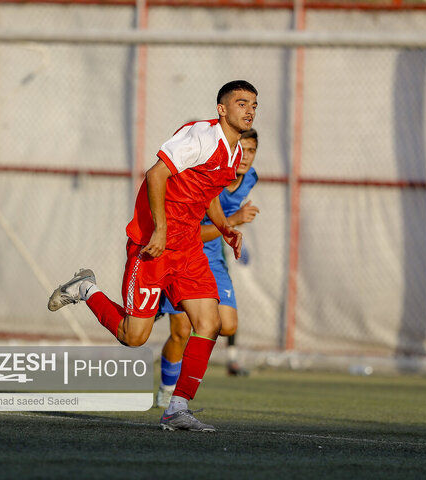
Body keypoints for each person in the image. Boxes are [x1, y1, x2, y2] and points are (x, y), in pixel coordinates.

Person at [47, 80, 259, 432]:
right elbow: (156, 174)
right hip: (153, 246)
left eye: (253, 103)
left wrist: (225, 227)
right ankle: (85, 288)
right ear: (222, 109)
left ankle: (177, 408)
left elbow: (207, 193)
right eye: (241, 102)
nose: (249, 109)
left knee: (210, 323)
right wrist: (160, 229)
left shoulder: (235, 153)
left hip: (188, 248)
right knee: (134, 337)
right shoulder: (201, 137)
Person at [157, 128, 260, 408]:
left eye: (251, 151)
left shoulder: (249, 179)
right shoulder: (203, 177)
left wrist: (231, 225)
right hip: (182, 254)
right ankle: (169, 390)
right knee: (181, 330)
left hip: (212, 258)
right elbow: (192, 233)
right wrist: (234, 220)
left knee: (227, 325)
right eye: (242, 148)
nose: (245, 156)